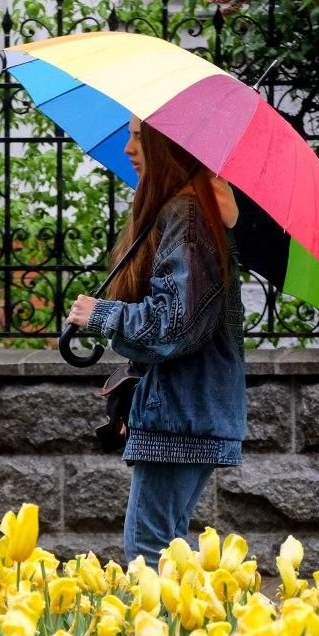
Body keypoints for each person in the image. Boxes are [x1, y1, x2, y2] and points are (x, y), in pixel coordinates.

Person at [67, 117, 245, 566]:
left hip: (182, 415)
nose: (128, 148)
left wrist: (101, 314)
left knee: (148, 554)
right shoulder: (186, 211)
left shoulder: (187, 217)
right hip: (182, 410)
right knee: (166, 549)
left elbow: (173, 324)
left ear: (170, 146)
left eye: (140, 138)